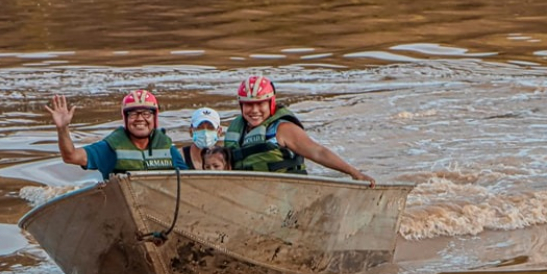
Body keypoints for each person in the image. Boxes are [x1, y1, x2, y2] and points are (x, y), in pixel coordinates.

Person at [223, 75, 375, 185]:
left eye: (260, 104)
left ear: (271, 103)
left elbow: (318, 152)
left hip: (284, 192)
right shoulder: (236, 130)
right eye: (249, 105)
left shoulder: (283, 129)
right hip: (248, 192)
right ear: (241, 105)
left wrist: (354, 173)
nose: (254, 110)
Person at [46, 90, 188, 180]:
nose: (140, 119)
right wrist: (63, 128)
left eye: (146, 114)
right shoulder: (109, 148)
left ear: (155, 117)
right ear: (125, 118)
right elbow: (71, 156)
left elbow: (189, 181)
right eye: (133, 114)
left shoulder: (167, 149)